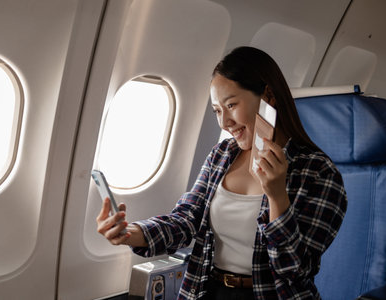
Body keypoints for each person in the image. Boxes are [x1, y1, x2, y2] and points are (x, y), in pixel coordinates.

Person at [96, 46, 347, 300]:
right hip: (207, 290)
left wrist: (277, 197)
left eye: (231, 105)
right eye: (217, 110)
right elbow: (186, 219)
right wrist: (130, 233)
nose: (224, 122)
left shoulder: (318, 172)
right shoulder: (222, 155)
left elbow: (294, 269)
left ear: (268, 96)